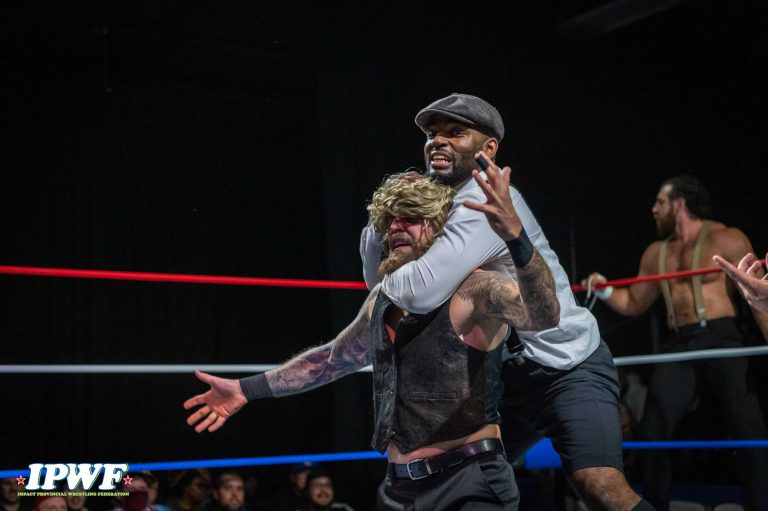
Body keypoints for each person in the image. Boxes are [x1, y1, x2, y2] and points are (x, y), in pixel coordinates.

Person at [184, 170, 562, 510]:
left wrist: (517, 238)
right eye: (390, 219)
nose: (396, 227)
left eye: (410, 217)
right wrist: (245, 389)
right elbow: (331, 360)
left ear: (439, 226)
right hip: (398, 489)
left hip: (468, 482)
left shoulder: (476, 287)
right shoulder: (385, 298)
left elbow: (545, 314)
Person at [359, 93, 651, 511]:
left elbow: (415, 292)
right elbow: (382, 286)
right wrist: (384, 215)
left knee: (600, 486)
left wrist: (396, 238)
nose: (437, 140)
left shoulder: (483, 203)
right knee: (447, 475)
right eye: (432, 134)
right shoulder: (432, 206)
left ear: (488, 148)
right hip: (499, 379)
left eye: (455, 133)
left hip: (564, 368)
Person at [581, 174, 768, 511]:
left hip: (722, 337)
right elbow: (634, 302)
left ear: (679, 203)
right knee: (652, 431)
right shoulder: (657, 252)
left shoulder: (727, 237)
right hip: (681, 342)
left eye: (660, 202)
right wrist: (604, 289)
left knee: (748, 427)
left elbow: (757, 295)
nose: (654, 209)